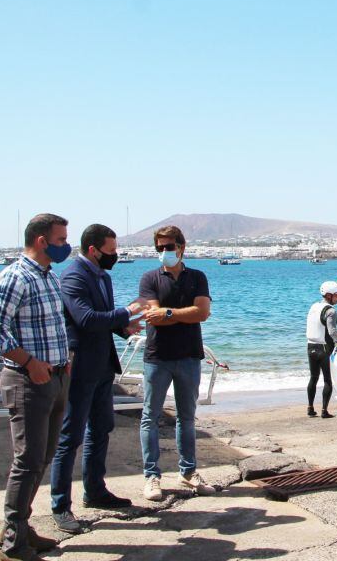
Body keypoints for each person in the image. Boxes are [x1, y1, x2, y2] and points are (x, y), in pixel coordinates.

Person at [0, 213, 72, 561]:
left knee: (43, 456)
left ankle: (23, 527)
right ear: (41, 241)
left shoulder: (49, 277)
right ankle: (13, 542)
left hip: (55, 378)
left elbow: (53, 326)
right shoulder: (16, 276)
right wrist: (29, 363)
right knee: (27, 459)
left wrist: (65, 361)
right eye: (61, 240)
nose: (65, 246)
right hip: (28, 381)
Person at [49, 224, 145, 533]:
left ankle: (95, 490)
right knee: (71, 436)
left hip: (104, 365)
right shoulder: (74, 276)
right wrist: (126, 311)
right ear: (93, 250)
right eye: (111, 251)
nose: (115, 256)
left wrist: (123, 327)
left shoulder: (101, 276)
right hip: (81, 367)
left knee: (101, 428)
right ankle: (60, 505)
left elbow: (101, 317)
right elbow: (86, 319)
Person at [137, 225, 215, 501]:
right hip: (158, 357)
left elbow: (202, 312)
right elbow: (152, 315)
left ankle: (189, 472)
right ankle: (151, 476)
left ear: (182, 247)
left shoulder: (197, 277)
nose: (164, 252)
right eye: (159, 248)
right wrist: (184, 313)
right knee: (151, 416)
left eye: (169, 247)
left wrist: (168, 312)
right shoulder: (149, 278)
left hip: (189, 357)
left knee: (187, 417)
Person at [306, 280, 337, 418]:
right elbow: (332, 332)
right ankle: (324, 411)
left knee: (313, 378)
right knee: (328, 380)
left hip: (310, 346)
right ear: (329, 295)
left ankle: (310, 408)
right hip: (324, 348)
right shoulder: (331, 311)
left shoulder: (314, 306)